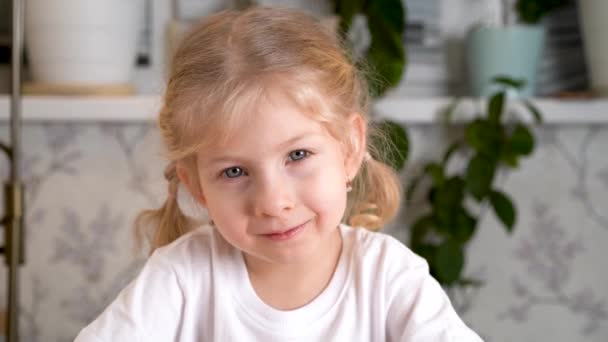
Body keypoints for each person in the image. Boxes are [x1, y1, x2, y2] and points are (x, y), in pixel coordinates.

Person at [75, 6, 483, 342]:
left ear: (350, 148)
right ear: (196, 185)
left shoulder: (389, 279)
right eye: (234, 171)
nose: (273, 202)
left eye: (298, 155)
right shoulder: (181, 276)